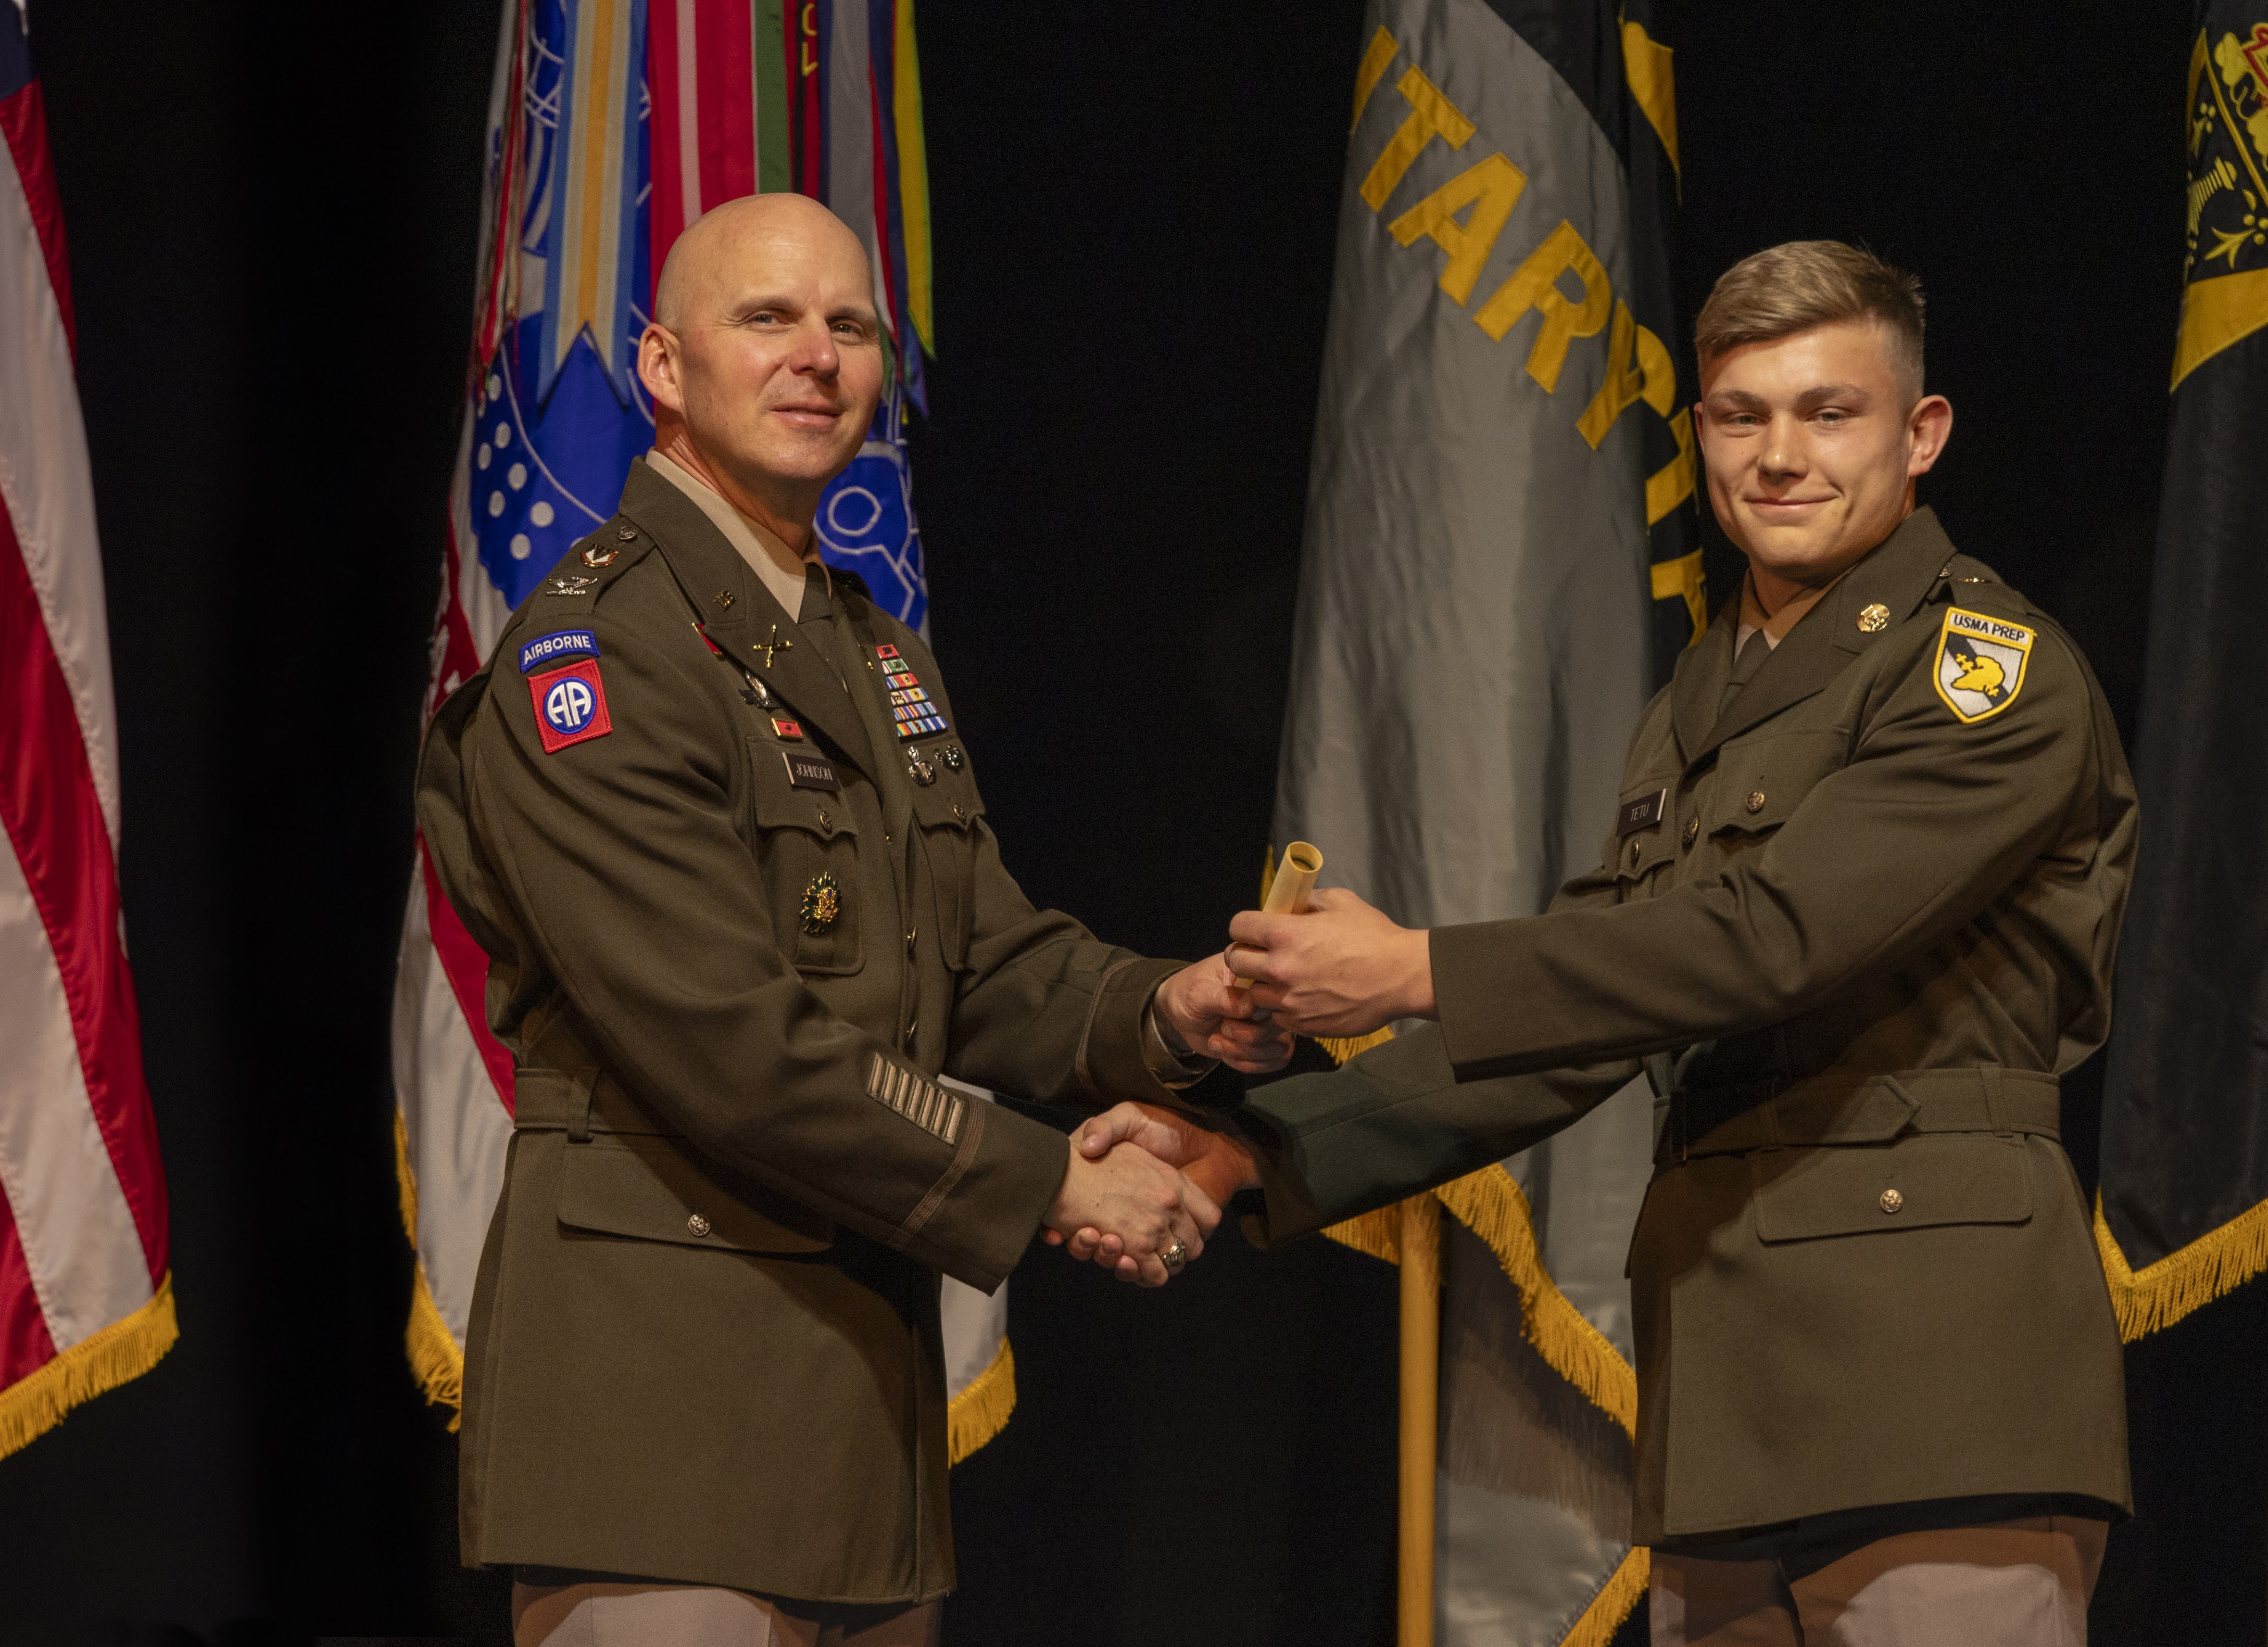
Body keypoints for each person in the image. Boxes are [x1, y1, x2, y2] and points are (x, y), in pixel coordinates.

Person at [1069, 242, 2136, 1646]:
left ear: (1920, 433)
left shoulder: (1985, 669)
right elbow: (1584, 1007)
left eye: (1829, 411)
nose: (1778, 455)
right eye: (1741, 415)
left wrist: (1415, 966)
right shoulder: (1706, 693)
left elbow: (1769, 940)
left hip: (1934, 1404)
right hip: (1722, 1416)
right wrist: (1247, 1142)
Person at [415, 192, 1289, 1646]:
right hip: (658, 1419)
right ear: (665, 369)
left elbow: (979, 960)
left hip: (855, 1422)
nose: (817, 355)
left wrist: (1165, 1010)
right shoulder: (597, 653)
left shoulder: (871, 652)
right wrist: (1051, 1182)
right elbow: (732, 1043)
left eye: (850, 325)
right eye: (767, 317)